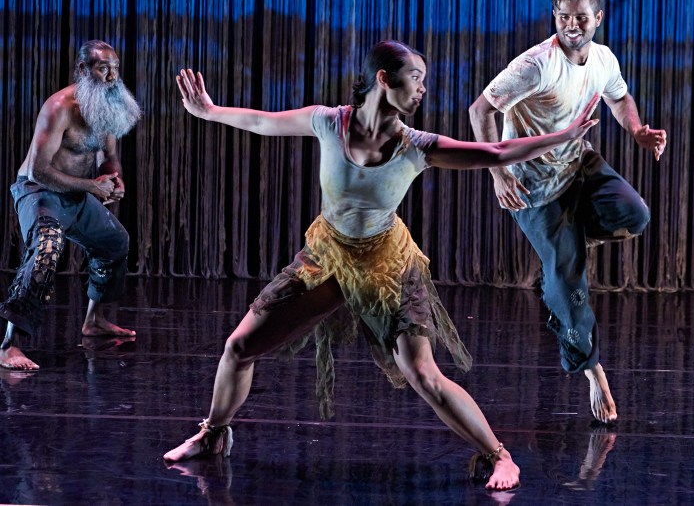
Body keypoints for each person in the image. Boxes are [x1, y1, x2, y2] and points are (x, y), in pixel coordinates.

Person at [164, 40, 601, 491]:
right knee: (239, 347)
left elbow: (496, 153)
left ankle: (499, 455)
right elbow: (261, 122)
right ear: (383, 78)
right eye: (415, 78)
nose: (423, 89)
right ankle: (212, 434)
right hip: (329, 256)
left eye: (424, 81)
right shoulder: (328, 122)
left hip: (388, 264)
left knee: (423, 374)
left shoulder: (417, 147)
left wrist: (563, 136)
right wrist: (209, 111)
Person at [468, 0, 667, 423]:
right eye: (563, 17)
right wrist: (498, 172)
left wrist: (637, 130)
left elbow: (620, 98)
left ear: (598, 18)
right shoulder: (536, 65)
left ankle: (568, 251)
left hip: (578, 165)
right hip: (534, 189)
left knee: (634, 215)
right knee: (572, 295)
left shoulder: (604, 59)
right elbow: (480, 111)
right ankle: (593, 370)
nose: (571, 26)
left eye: (580, 18)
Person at [0, 41, 141, 371]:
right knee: (48, 248)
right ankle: (9, 345)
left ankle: (94, 321)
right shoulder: (59, 107)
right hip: (38, 192)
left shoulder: (106, 106)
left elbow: (109, 156)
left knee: (115, 242)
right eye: (103, 68)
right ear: (83, 70)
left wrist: (114, 179)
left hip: (75, 194)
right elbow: (38, 171)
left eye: (115, 69)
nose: (112, 77)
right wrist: (92, 187)